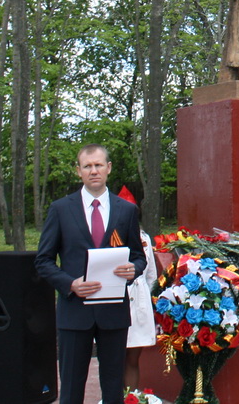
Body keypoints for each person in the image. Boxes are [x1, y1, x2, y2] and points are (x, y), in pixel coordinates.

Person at [35, 144, 146, 404]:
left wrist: (133, 270)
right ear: (79, 171)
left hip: (113, 314)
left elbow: (139, 257)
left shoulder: (126, 210)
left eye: (98, 165)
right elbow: (43, 260)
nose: (93, 171)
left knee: (112, 388)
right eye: (87, 166)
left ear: (108, 169)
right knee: (71, 388)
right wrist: (70, 284)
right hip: (75, 312)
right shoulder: (61, 209)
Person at [118, 186, 157, 391]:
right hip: (117, 298)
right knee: (115, 359)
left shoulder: (144, 239)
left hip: (140, 302)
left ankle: (131, 397)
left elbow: (151, 276)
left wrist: (151, 304)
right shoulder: (112, 238)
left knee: (133, 359)